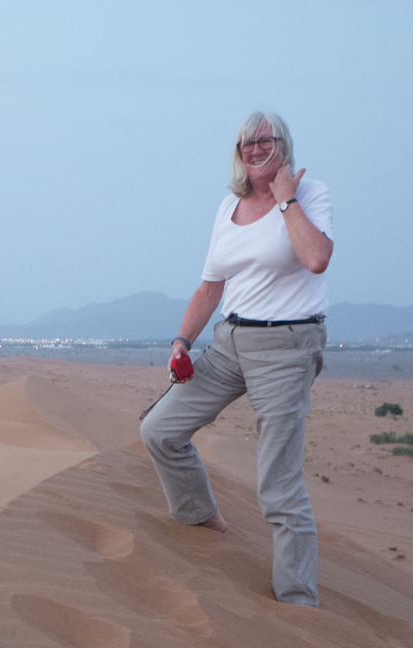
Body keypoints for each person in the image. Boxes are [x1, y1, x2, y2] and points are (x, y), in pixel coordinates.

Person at [139, 112, 334, 606]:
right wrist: (182, 340)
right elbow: (210, 287)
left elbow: (316, 258)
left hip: (287, 349)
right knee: (159, 430)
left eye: (263, 139)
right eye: (245, 141)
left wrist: (286, 197)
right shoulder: (229, 206)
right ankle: (201, 521)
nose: (253, 148)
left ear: (282, 143)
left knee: (278, 485)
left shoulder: (310, 194)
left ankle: (297, 602)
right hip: (230, 341)